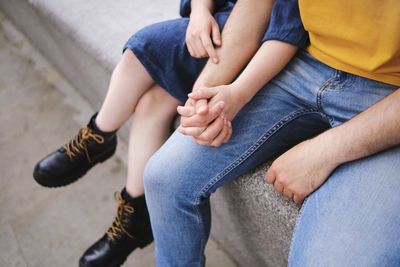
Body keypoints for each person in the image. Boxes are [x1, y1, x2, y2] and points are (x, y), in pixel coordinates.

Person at [33, 0, 308, 266]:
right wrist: (200, 10)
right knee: (150, 104)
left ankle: (97, 136)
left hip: (252, 29)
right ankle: (135, 216)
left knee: (142, 49)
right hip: (218, 19)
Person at [143, 0, 400, 266]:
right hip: (302, 60)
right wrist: (206, 93)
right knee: (164, 178)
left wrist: (325, 151)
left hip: (389, 97)